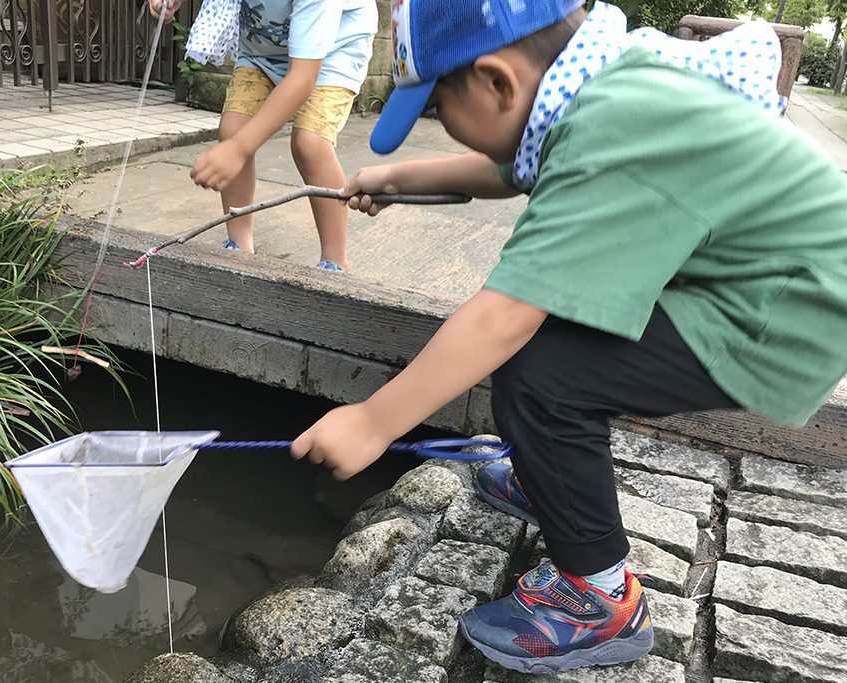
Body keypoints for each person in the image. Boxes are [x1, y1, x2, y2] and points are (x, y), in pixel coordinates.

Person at [290, 0, 847, 674]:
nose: (445, 128)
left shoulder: (611, 125)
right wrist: (405, 179)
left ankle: (599, 595)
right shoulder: (604, 84)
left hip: (776, 312)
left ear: (498, 82)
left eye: (439, 108)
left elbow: (504, 315)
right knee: (554, 347)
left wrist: (374, 421)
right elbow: (517, 168)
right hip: (762, 277)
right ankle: (548, 476)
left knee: (542, 370)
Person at [152, 0, 378, 272]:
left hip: (333, 52)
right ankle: (239, 245)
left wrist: (239, 150)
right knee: (233, 129)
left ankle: (335, 258)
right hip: (261, 51)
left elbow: (303, 77)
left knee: (310, 142)